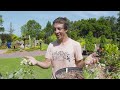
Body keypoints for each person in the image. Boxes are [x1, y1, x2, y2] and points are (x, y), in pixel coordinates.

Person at [24, 17, 99, 79]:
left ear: (66, 29)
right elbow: (47, 64)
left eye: (59, 29)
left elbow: (79, 65)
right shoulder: (51, 45)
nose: (56, 31)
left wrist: (85, 62)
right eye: (55, 29)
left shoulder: (75, 45)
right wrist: (36, 62)